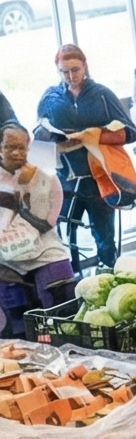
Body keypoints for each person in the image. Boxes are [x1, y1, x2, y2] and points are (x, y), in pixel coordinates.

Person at [35, 46, 133, 272]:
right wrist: (56, 142)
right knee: (64, 239)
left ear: (85, 65)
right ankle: (71, 282)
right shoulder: (50, 97)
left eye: (75, 70)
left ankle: (111, 277)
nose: (70, 76)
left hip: (100, 179)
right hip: (65, 181)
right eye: (64, 72)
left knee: (105, 238)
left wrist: (96, 136)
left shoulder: (102, 94)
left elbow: (131, 132)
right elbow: (38, 141)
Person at [0, 122, 74, 332]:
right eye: (9, 147)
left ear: (28, 147)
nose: (16, 152)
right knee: (15, 330)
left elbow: (45, 222)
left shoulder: (45, 175)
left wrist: (25, 185)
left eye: (21, 147)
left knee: (64, 321)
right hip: (6, 259)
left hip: (44, 251)